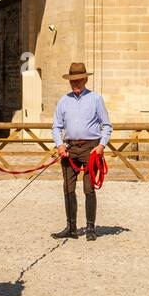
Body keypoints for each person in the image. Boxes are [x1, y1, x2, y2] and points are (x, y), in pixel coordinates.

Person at [50, 61, 111, 241]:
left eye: (78, 80)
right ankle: (71, 227)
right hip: (69, 148)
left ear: (85, 79)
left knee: (88, 188)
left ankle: (91, 228)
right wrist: (59, 144)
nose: (75, 84)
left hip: (90, 148)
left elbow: (106, 125)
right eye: (72, 81)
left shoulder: (96, 99)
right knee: (68, 187)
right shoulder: (63, 100)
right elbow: (56, 126)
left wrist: (101, 146)